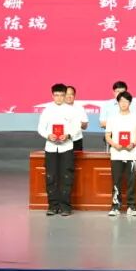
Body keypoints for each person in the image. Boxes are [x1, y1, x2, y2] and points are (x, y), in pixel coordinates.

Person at [37, 82, 80, 216]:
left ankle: (65, 207)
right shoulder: (47, 110)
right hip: (51, 147)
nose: (59, 98)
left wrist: (68, 135)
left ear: (65, 95)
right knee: (51, 177)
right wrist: (48, 135)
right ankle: (52, 206)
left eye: (61, 95)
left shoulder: (72, 110)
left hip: (66, 147)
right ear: (52, 96)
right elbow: (40, 128)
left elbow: (77, 127)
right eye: (56, 95)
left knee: (67, 176)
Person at [106, 91, 136, 217]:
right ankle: (115, 207)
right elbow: (107, 135)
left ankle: (131, 207)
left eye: (126, 101)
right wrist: (114, 144)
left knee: (132, 181)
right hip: (116, 153)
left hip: (131, 154)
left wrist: (133, 144)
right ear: (118, 102)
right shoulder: (112, 118)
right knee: (116, 181)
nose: (123, 103)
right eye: (121, 101)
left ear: (130, 103)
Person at [99, 80, 129, 151]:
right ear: (114, 92)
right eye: (118, 91)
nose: (120, 94)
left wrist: (113, 123)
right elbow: (102, 123)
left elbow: (134, 122)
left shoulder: (132, 104)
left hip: (128, 134)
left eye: (122, 92)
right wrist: (120, 123)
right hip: (112, 134)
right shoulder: (107, 105)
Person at [65, 85, 89, 152]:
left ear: (74, 96)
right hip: (62, 141)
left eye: (71, 94)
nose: (69, 96)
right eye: (67, 94)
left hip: (76, 140)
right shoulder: (59, 108)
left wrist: (82, 124)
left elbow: (85, 126)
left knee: (77, 158)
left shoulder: (80, 108)